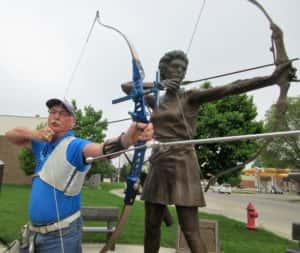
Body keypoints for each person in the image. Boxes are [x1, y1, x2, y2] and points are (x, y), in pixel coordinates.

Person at [121, 24, 295, 253]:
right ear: (163, 71)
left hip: (183, 162)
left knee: (190, 228)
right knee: (151, 225)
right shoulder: (156, 99)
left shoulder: (191, 96)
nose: (180, 71)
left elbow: (232, 88)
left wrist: (272, 79)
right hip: (159, 162)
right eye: (175, 67)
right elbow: (126, 87)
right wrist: (157, 85)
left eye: (183, 68)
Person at [5, 98, 153, 253]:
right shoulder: (40, 143)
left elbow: (101, 150)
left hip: (61, 236)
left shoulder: (75, 145)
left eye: (62, 113)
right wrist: (36, 134)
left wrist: (128, 139)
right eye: (53, 112)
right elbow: (10, 135)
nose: (56, 117)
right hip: (34, 234)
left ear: (72, 122)